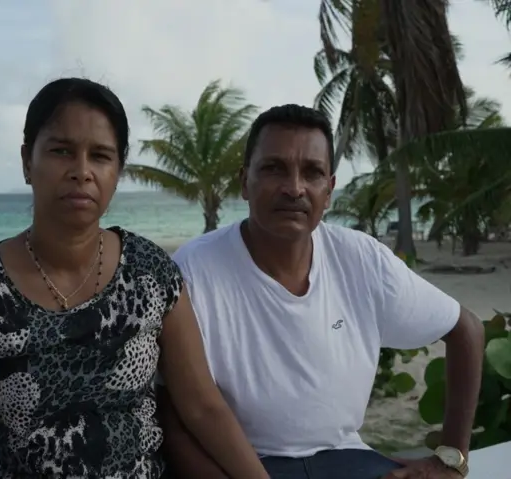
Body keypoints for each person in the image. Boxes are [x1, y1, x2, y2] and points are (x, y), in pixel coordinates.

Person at [0, 77, 270, 479]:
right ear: (27, 161)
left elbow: (202, 406)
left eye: (101, 156)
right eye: (61, 151)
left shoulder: (151, 274)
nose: (82, 171)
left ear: (118, 170)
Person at [159, 104, 485, 479]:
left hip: (344, 456)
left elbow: (467, 330)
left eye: (312, 173)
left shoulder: (362, 259)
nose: (294, 188)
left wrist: (451, 458)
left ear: (328, 191)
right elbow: (174, 412)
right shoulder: (194, 269)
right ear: (244, 181)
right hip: (240, 465)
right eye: (273, 168)